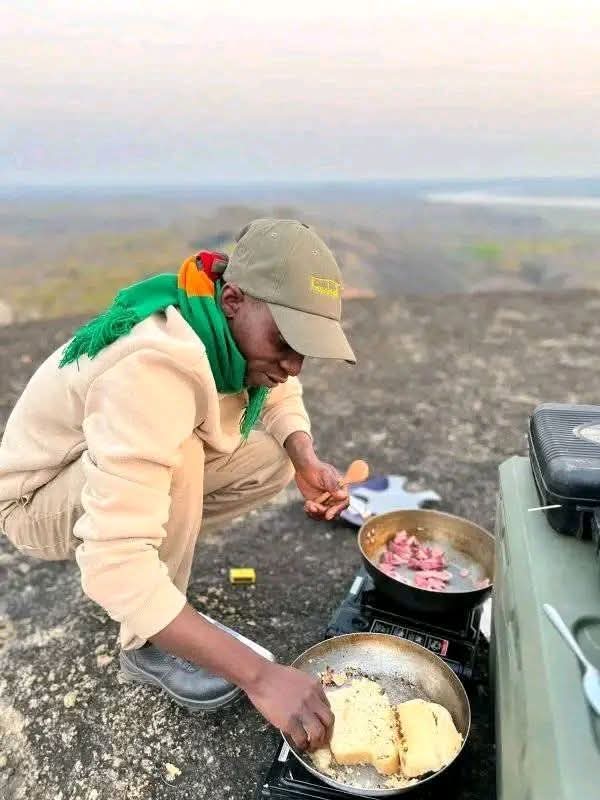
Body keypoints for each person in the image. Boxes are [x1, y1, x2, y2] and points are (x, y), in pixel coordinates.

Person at [0, 218, 356, 752]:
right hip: (36, 502)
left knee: (272, 458)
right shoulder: (154, 368)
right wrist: (260, 675)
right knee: (180, 456)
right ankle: (146, 642)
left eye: (307, 346)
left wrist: (304, 456)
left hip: (98, 470)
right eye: (285, 341)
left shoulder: (216, 318)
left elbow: (279, 389)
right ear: (233, 299)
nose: (294, 363)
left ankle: (161, 571)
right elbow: (112, 564)